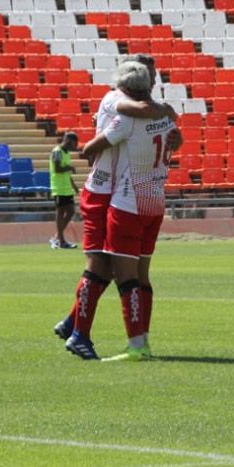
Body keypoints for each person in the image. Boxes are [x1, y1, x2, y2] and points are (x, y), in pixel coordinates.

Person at [54, 54, 179, 361]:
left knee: (112, 268)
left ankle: (76, 323)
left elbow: (168, 136)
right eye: (148, 77)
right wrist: (166, 113)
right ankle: (81, 332)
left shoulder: (145, 111)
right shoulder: (119, 102)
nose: (152, 82)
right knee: (102, 266)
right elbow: (134, 117)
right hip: (104, 191)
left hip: (123, 194)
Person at [49, 131, 79, 249]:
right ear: (69, 141)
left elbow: (66, 172)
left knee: (71, 211)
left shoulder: (66, 153)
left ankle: (57, 237)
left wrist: (74, 185)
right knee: (61, 212)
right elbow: (57, 169)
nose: (75, 147)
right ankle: (61, 241)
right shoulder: (57, 152)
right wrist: (70, 167)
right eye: (74, 144)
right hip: (59, 187)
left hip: (66, 187)